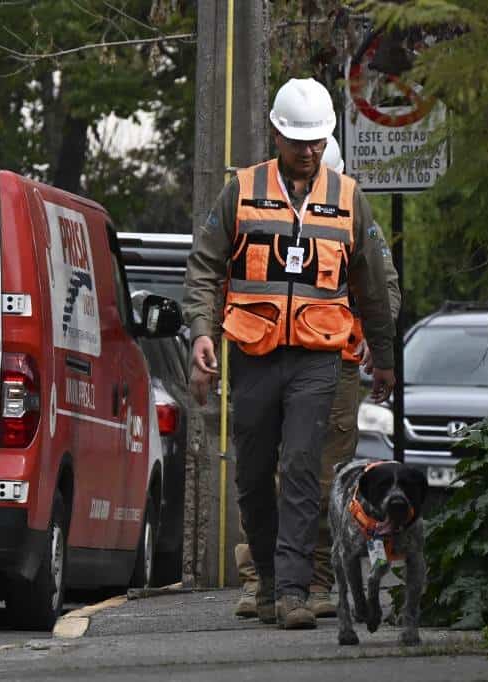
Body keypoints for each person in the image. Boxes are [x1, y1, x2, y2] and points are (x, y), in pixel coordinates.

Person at [183, 78, 397, 630]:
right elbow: (206, 267)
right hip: (254, 353)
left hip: (319, 356)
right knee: (254, 476)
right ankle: (270, 584)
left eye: (318, 141)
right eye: (299, 140)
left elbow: (375, 285)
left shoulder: (349, 197)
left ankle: (297, 592)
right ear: (276, 133)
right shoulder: (241, 190)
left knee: (303, 470)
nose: (308, 151)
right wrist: (202, 333)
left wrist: (386, 356)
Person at [232, 135, 401, 619]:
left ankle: (315, 580)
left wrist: (373, 335)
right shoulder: (259, 202)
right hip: (271, 355)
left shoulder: (348, 207)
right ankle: (259, 578)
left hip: (338, 365)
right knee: (261, 471)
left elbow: (381, 284)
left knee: (318, 476)